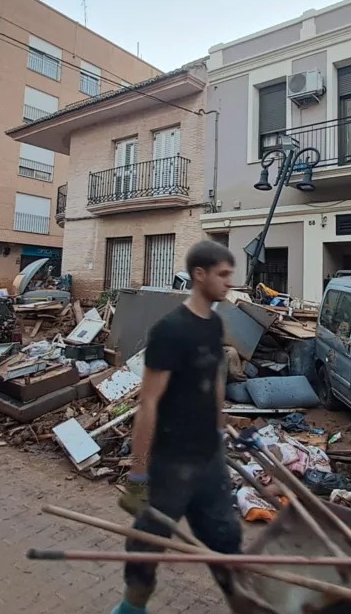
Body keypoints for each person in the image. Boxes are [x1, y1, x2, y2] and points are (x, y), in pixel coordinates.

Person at [112, 241, 242, 614]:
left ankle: (244, 602)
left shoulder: (215, 324)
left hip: (208, 456)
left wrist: (219, 429)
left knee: (226, 537)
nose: (229, 282)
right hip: (171, 460)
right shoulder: (169, 330)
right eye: (222, 274)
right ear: (199, 275)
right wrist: (138, 475)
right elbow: (148, 403)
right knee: (147, 542)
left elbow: (214, 382)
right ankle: (131, 608)